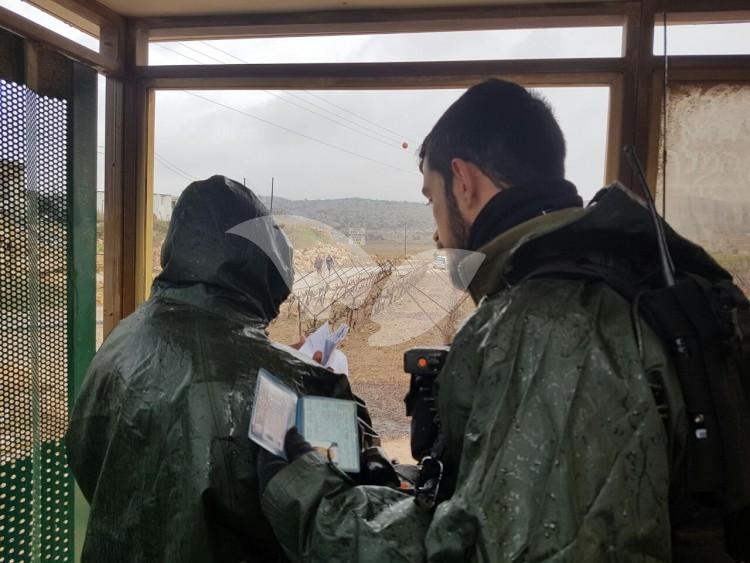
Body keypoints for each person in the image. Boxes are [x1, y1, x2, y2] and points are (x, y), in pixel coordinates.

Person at [254, 80, 720, 562]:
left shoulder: (553, 328)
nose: (436, 233)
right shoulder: (620, 280)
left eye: (431, 198)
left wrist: (310, 496)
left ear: (463, 182)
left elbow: (493, 550)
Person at [66, 176, 369, 563]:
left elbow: (84, 447)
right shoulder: (297, 381)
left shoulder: (118, 342)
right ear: (266, 266)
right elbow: (338, 515)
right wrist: (290, 367)